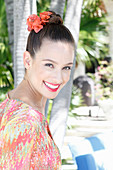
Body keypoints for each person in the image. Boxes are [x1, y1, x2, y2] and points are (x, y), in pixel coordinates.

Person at [0, 11, 75, 169]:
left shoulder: (15, 103)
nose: (58, 78)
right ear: (28, 60)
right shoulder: (25, 123)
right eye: (49, 65)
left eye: (66, 67)